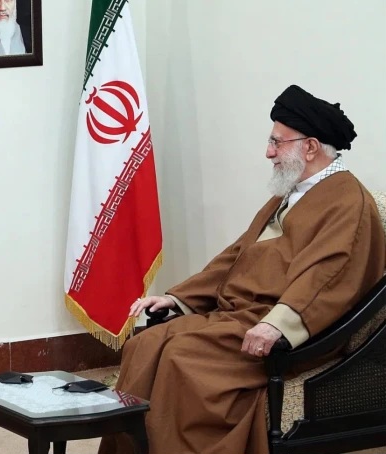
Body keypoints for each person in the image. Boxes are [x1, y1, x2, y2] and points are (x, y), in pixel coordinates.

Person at [98, 85, 386, 454]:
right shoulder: (295, 192)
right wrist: (178, 299)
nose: (269, 152)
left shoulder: (347, 201)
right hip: (239, 319)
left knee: (181, 358)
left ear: (311, 147)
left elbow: (329, 276)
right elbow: (237, 256)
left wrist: (277, 324)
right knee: (144, 344)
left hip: (288, 331)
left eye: (277, 142)